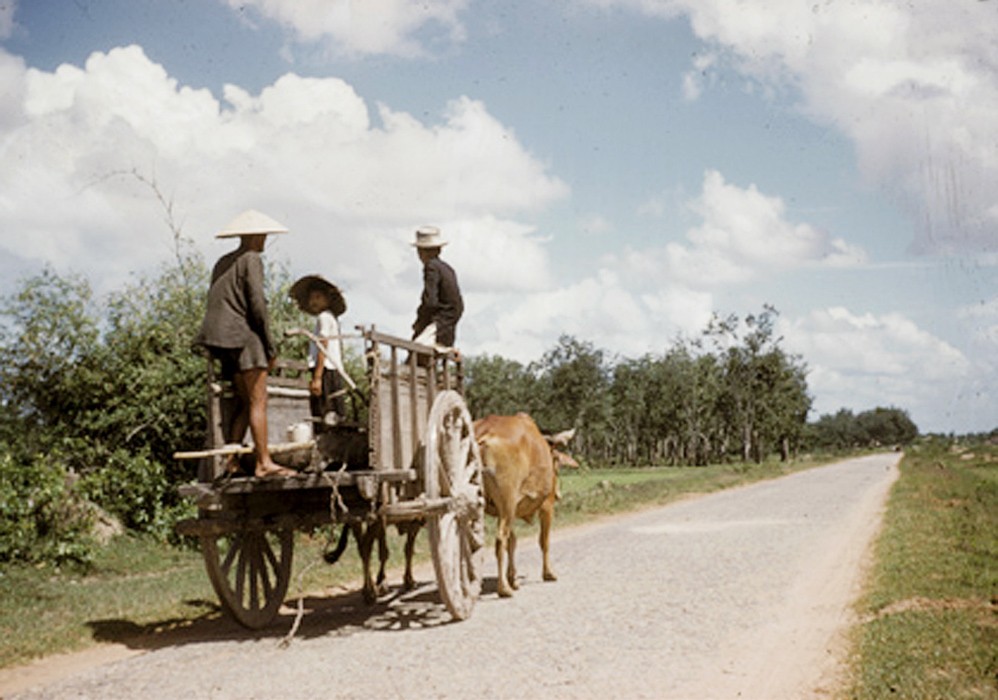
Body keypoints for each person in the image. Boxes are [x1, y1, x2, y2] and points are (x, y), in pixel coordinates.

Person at [196, 209, 295, 479]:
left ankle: (231, 461)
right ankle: (264, 462)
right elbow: (257, 306)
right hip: (243, 337)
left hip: (220, 340)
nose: (264, 240)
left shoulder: (223, 262)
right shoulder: (251, 259)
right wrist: (270, 347)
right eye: (262, 236)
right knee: (259, 400)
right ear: (253, 237)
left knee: (244, 401)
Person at [290, 274, 348, 429]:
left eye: (318, 297)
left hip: (326, 370)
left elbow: (323, 345)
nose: (314, 301)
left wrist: (317, 377)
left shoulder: (324, 317)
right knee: (334, 414)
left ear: (327, 299)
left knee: (325, 414)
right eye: (311, 298)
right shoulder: (330, 318)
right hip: (331, 370)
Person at [411, 225, 463, 351]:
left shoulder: (431, 267)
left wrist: (419, 323)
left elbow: (430, 302)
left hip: (440, 323)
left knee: (415, 350)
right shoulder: (447, 269)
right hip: (448, 326)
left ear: (422, 251)